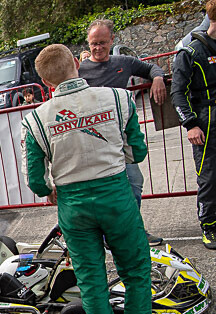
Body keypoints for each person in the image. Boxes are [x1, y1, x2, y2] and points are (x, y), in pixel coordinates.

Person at [21, 44, 176, 314]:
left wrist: (50, 191)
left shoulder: (35, 119)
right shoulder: (118, 98)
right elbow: (138, 151)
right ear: (77, 64)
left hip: (72, 206)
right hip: (115, 196)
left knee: (91, 282)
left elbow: (35, 180)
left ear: (46, 82)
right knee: (135, 270)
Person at [78, 18, 167, 245]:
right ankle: (115, 234)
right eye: (93, 44)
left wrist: (157, 79)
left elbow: (152, 67)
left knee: (134, 182)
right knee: (108, 189)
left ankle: (133, 228)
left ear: (112, 40)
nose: (97, 48)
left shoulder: (124, 62)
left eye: (102, 43)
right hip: (95, 141)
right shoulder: (81, 69)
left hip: (122, 137)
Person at [172, 0, 216, 250]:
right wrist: (190, 124)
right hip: (206, 122)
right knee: (209, 177)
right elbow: (178, 93)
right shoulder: (190, 52)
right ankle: (209, 225)